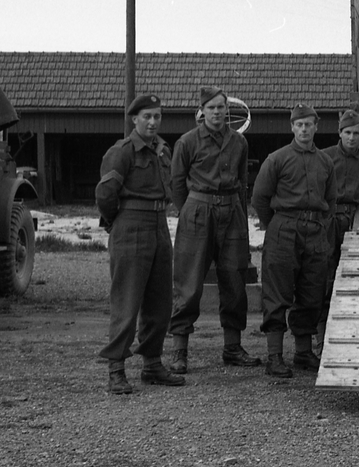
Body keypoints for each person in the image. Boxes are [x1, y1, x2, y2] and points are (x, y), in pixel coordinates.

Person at [166, 86, 261, 374]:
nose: (217, 113)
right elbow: (177, 184)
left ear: (227, 110)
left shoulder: (238, 143)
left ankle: (232, 348)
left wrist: (240, 217)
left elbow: (243, 182)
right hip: (198, 212)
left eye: (222, 108)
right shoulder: (187, 142)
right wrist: (191, 211)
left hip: (231, 212)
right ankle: (180, 352)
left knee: (234, 281)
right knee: (189, 283)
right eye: (211, 108)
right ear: (202, 111)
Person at [95, 94, 184, 394]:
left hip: (160, 226)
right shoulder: (122, 151)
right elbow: (106, 194)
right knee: (127, 300)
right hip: (131, 226)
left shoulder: (162, 151)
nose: (153, 122)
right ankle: (116, 369)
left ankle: (152, 364)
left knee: (160, 301)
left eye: (157, 116)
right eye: (147, 116)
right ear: (134, 119)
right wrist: (115, 223)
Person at [250, 103, 337, 378]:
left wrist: (319, 226)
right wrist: (274, 225)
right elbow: (260, 199)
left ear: (316, 127)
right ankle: (274, 356)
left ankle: (302, 352)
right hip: (283, 229)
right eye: (299, 125)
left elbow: (331, 201)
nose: (303, 129)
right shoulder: (276, 159)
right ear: (291, 127)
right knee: (277, 292)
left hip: (315, 230)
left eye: (308, 124)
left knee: (312, 291)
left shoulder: (325, 162)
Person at [317, 109, 359, 350]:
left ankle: (348, 336)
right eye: (347, 132)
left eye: (356, 133)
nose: (352, 138)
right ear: (339, 133)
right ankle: (321, 340)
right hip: (329, 220)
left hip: (352, 223)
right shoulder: (325, 158)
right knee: (324, 279)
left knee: (351, 278)